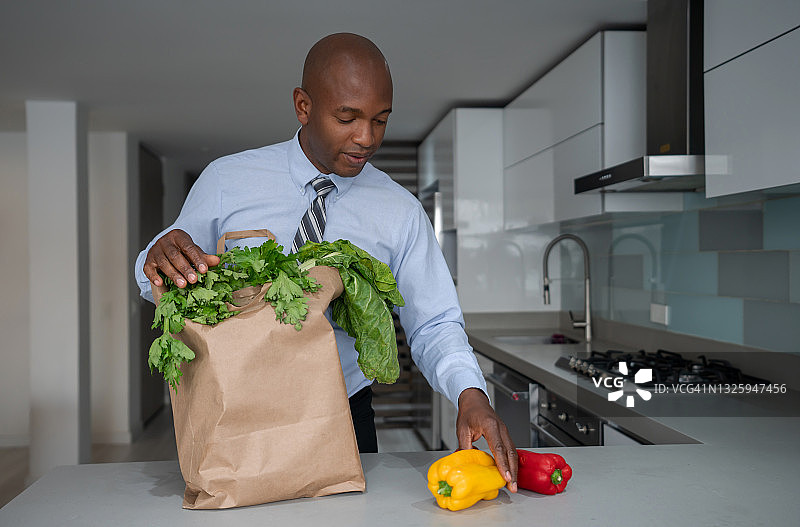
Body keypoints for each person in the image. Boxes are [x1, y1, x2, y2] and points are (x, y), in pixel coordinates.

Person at [135, 32, 518, 492]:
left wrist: (470, 395)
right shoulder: (227, 180)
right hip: (234, 407)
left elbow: (434, 323)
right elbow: (161, 281)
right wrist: (157, 258)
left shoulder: (399, 210)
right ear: (303, 106)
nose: (366, 138)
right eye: (347, 117)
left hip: (344, 413)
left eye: (380, 120)